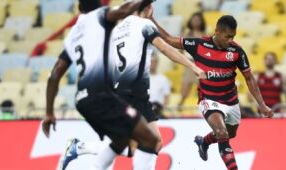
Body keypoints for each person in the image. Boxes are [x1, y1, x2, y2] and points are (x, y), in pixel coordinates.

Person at [57, 3, 206, 170]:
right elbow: (165, 48)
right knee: (139, 145)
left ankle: (79, 147)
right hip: (134, 91)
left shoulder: (117, 30)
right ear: (149, 9)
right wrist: (193, 66)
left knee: (154, 142)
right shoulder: (144, 25)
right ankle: (79, 147)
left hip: (123, 89)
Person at [42, 0, 161, 170]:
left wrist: (49, 113)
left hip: (82, 101)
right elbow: (125, 9)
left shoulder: (72, 35)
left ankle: (82, 151)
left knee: (121, 141)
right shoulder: (99, 16)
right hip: (101, 96)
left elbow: (54, 75)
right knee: (150, 140)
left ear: (79, 8)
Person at [151, 13, 272, 170]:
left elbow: (249, 78)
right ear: (217, 31)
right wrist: (150, 20)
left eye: (233, 36)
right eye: (228, 36)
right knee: (222, 133)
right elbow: (168, 39)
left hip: (230, 100)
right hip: (208, 99)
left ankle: (204, 142)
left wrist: (261, 104)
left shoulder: (237, 51)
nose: (230, 40)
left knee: (230, 133)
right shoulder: (199, 45)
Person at [179, 12, 206, 107]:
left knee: (204, 88)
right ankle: (180, 106)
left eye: (198, 20)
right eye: (194, 19)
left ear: (201, 22)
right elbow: (180, 50)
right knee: (185, 87)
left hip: (202, 64)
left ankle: (205, 107)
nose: (195, 21)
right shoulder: (185, 35)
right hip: (189, 64)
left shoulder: (205, 35)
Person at [149, 53, 171, 117]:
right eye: (151, 61)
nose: (153, 64)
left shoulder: (164, 79)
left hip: (158, 111)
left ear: (157, 63)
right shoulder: (142, 78)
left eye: (155, 62)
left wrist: (161, 109)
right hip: (144, 111)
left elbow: (166, 97)